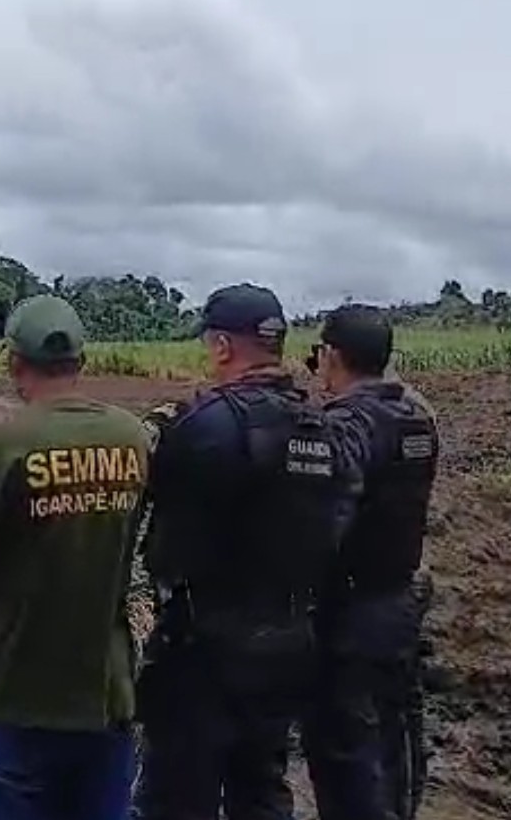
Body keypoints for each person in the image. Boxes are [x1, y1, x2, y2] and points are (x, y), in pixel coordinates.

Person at [132, 283, 364, 820]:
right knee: (261, 788)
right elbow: (339, 524)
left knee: (175, 796)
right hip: (289, 644)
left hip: (204, 650)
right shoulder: (323, 429)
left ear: (221, 346)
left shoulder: (206, 425)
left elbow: (163, 534)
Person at [0, 293, 152, 820]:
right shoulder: (131, 438)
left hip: (19, 690)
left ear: (14, 362)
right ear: (82, 361)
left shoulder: (7, 444)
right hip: (106, 691)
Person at [300, 306, 441, 820]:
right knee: (396, 741)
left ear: (332, 355)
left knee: (346, 753)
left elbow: (329, 512)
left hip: (350, 610)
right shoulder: (416, 417)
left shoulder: (349, 423)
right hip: (398, 599)